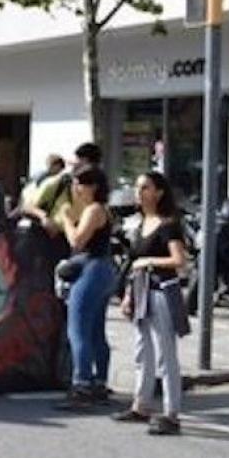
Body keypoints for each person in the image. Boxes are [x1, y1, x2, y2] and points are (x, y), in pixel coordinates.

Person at [116, 171, 189, 435]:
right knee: (141, 350)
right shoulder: (139, 224)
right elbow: (133, 264)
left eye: (145, 187)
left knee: (165, 354)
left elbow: (179, 261)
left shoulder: (168, 224)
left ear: (158, 192)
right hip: (141, 291)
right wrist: (128, 295)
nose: (139, 192)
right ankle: (141, 404)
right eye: (137, 187)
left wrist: (150, 262)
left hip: (161, 292)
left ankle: (172, 412)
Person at [57, 165, 115, 411]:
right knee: (96, 330)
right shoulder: (102, 210)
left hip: (91, 269)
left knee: (78, 329)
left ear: (94, 186)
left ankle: (81, 384)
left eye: (80, 183)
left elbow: (77, 241)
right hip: (103, 269)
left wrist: (67, 220)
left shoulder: (93, 210)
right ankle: (99, 381)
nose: (76, 188)